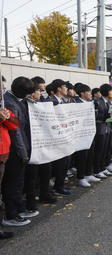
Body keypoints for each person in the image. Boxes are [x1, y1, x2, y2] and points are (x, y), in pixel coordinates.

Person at [2, 77, 36, 226]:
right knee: (13, 184)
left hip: (18, 146)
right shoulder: (9, 103)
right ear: (22, 92)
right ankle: (11, 214)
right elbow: (16, 131)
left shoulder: (14, 100)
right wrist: (23, 152)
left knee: (18, 183)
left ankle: (18, 209)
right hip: (15, 148)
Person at [0, 75, 19, 237]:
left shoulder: (2, 106)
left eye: (3, 88)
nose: (2, 92)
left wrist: (6, 117)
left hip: (3, 156)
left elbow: (15, 124)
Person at [74, 84, 101, 187]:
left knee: (91, 154)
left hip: (90, 132)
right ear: (82, 93)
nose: (90, 94)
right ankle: (80, 177)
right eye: (88, 93)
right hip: (81, 134)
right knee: (82, 156)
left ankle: (88, 174)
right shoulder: (77, 104)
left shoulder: (90, 103)